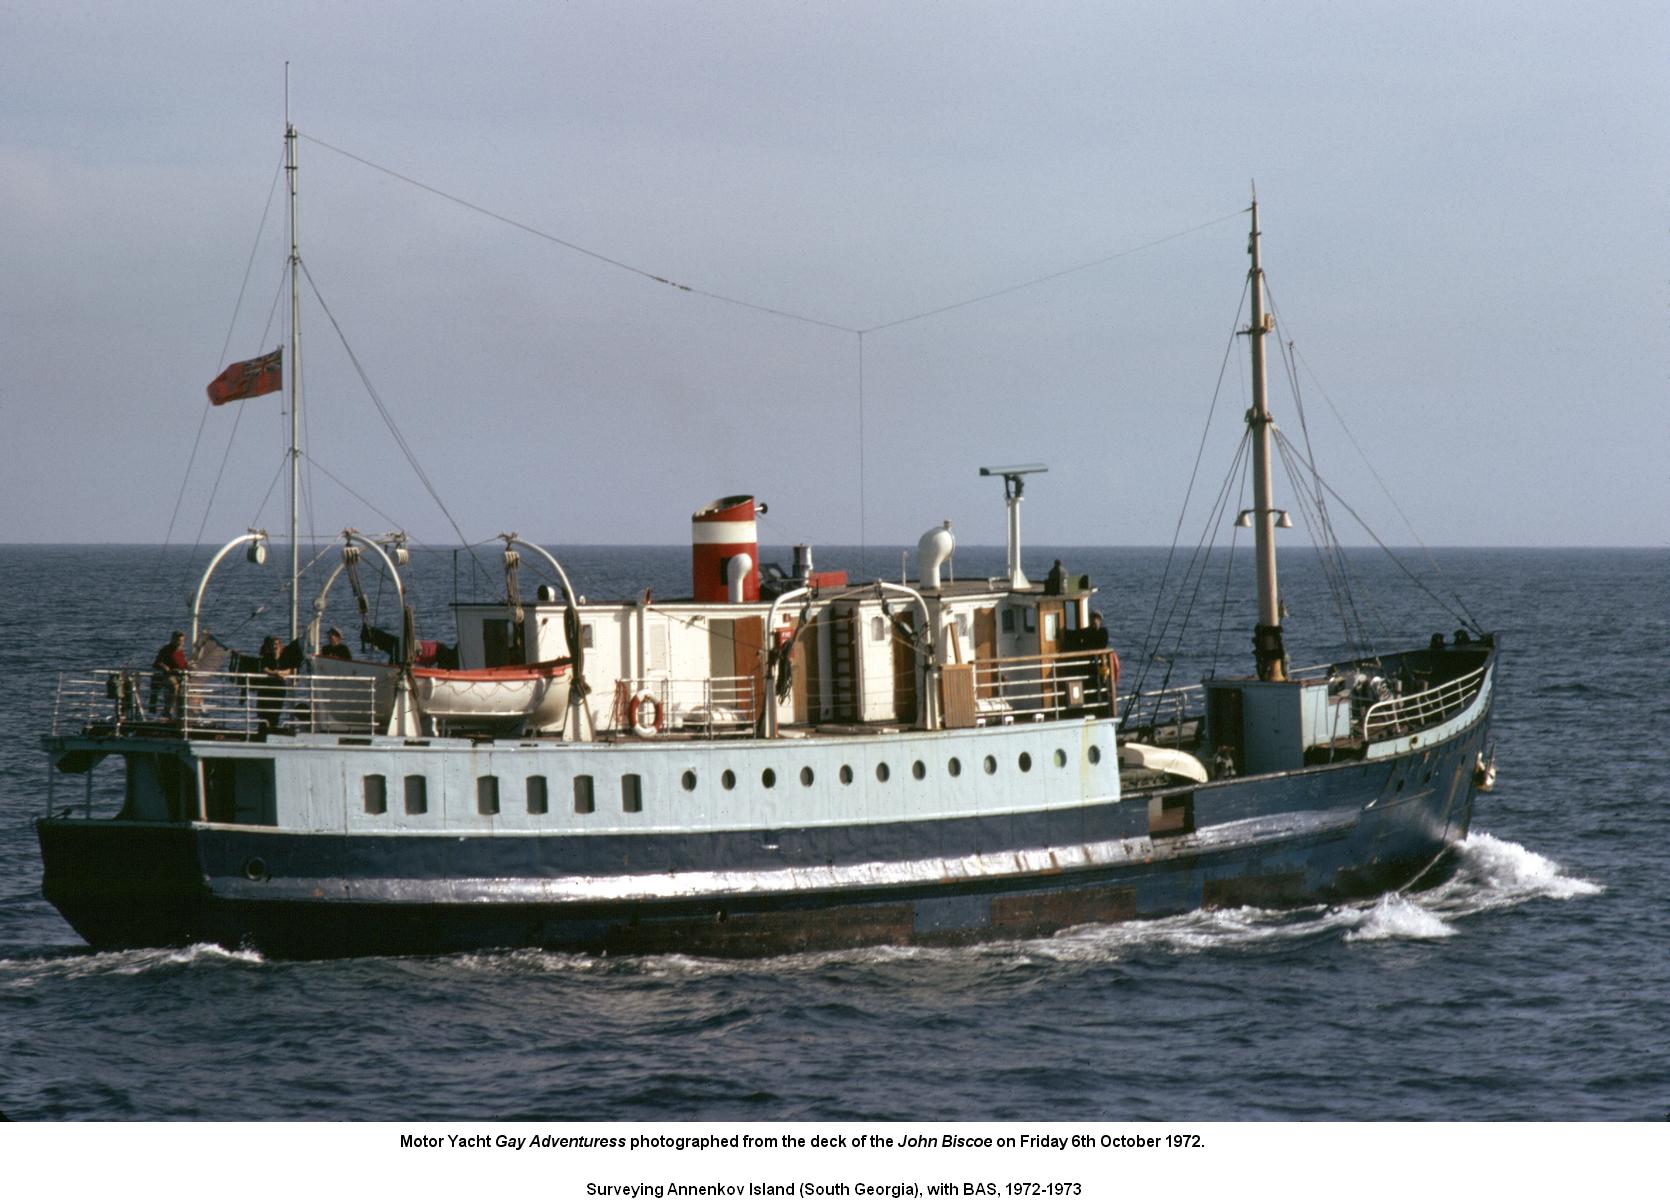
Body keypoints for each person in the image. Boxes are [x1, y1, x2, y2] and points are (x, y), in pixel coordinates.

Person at [254, 635, 292, 733]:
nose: (275, 647)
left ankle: (273, 730)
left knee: (276, 711)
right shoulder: (267, 657)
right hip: (267, 688)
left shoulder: (284, 658)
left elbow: (289, 670)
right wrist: (275, 673)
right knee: (265, 712)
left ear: (280, 646)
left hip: (279, 689)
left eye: (277, 644)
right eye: (273, 645)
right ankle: (262, 732)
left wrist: (281, 673)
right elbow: (265, 669)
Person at [149, 630, 188, 718]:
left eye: (182, 641)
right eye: (178, 641)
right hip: (166, 675)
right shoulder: (166, 649)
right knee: (174, 686)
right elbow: (157, 663)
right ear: (173, 640)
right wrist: (164, 667)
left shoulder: (180, 651)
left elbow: (183, 664)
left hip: (179, 675)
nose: (180, 643)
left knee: (183, 689)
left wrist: (189, 666)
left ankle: (181, 713)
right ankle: (167, 711)